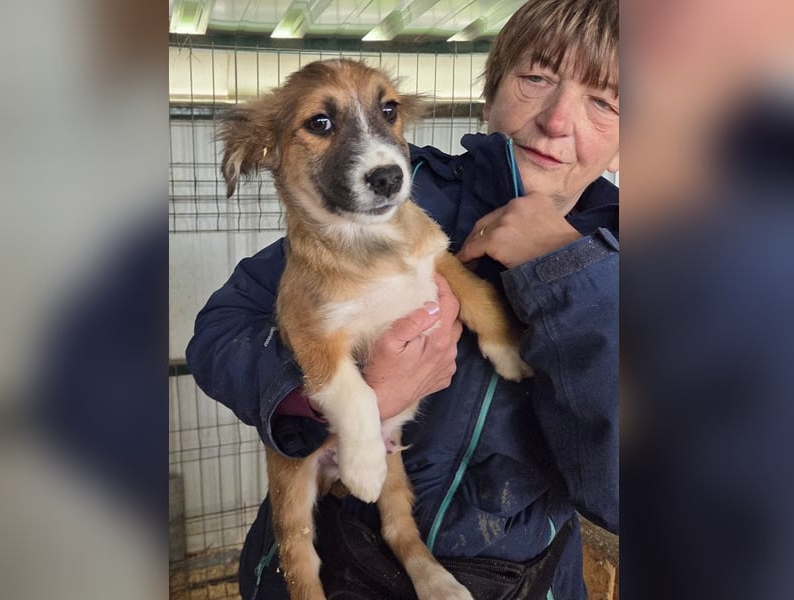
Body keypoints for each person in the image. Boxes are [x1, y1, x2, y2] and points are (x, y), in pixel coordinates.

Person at [186, 0, 619, 597]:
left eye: (605, 101)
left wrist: (572, 271)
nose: (557, 120)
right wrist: (333, 401)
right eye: (536, 77)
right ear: (490, 92)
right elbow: (219, 332)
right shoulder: (385, 209)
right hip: (340, 557)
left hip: (520, 579)